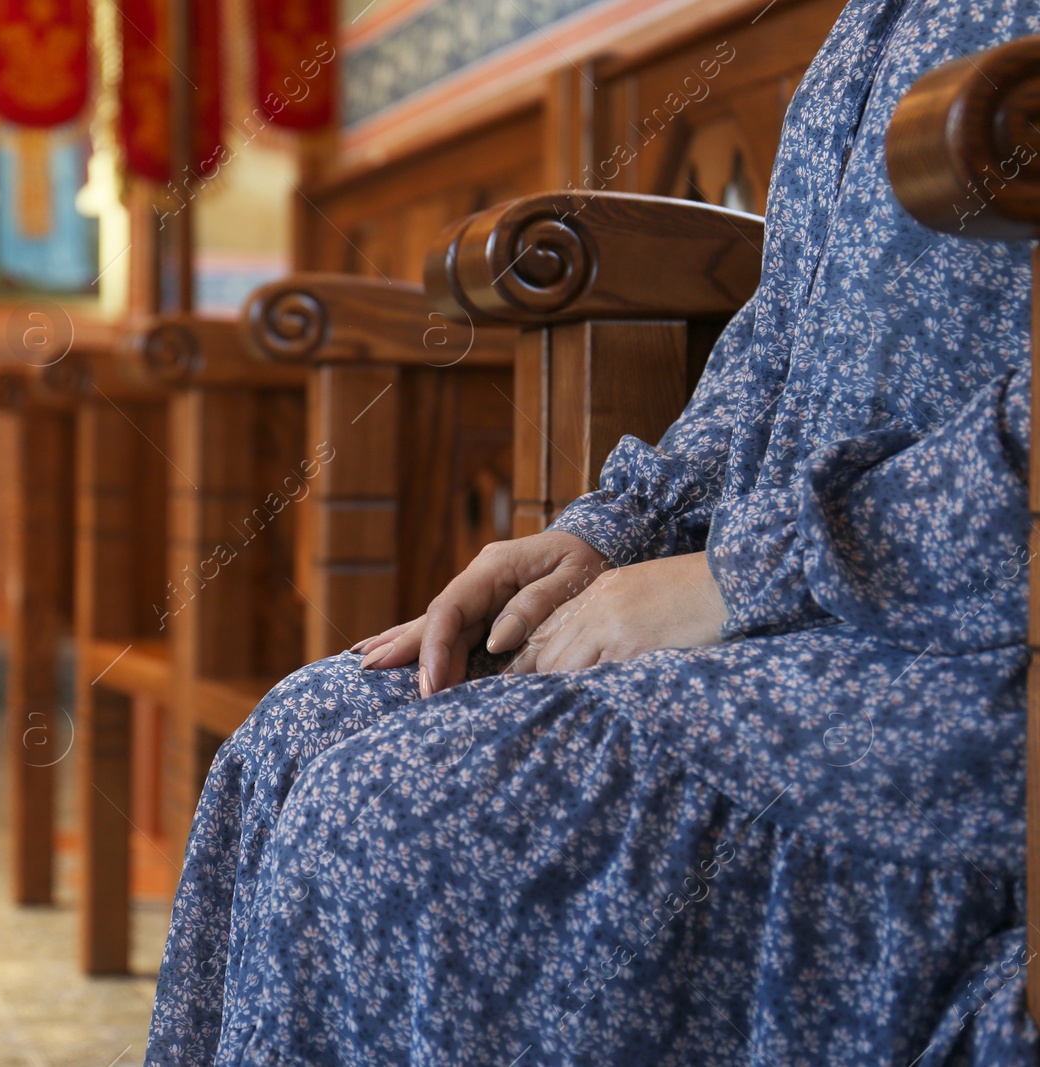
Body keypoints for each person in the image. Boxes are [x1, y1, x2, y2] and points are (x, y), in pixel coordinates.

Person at [145, 0, 1040, 1063]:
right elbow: (775, 347)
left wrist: (735, 577)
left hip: (966, 647)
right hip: (801, 600)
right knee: (302, 724)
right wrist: (612, 533)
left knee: (385, 812)